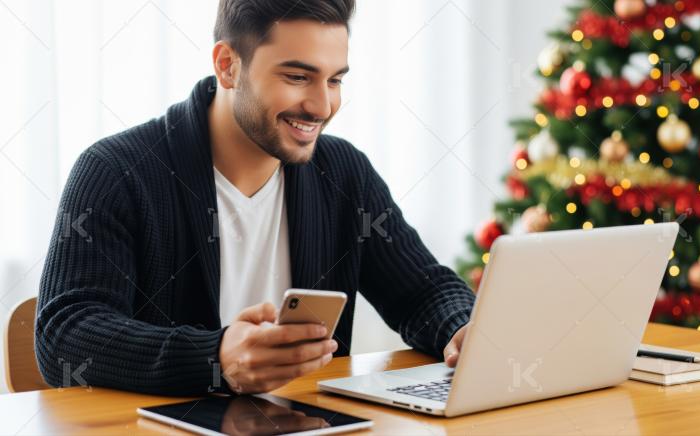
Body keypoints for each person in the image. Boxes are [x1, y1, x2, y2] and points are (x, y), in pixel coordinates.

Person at [35, 0, 475, 396]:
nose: (322, 106)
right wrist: (216, 357)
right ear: (228, 66)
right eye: (298, 77)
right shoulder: (116, 171)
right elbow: (65, 335)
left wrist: (463, 327)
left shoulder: (343, 172)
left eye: (335, 80)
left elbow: (422, 290)